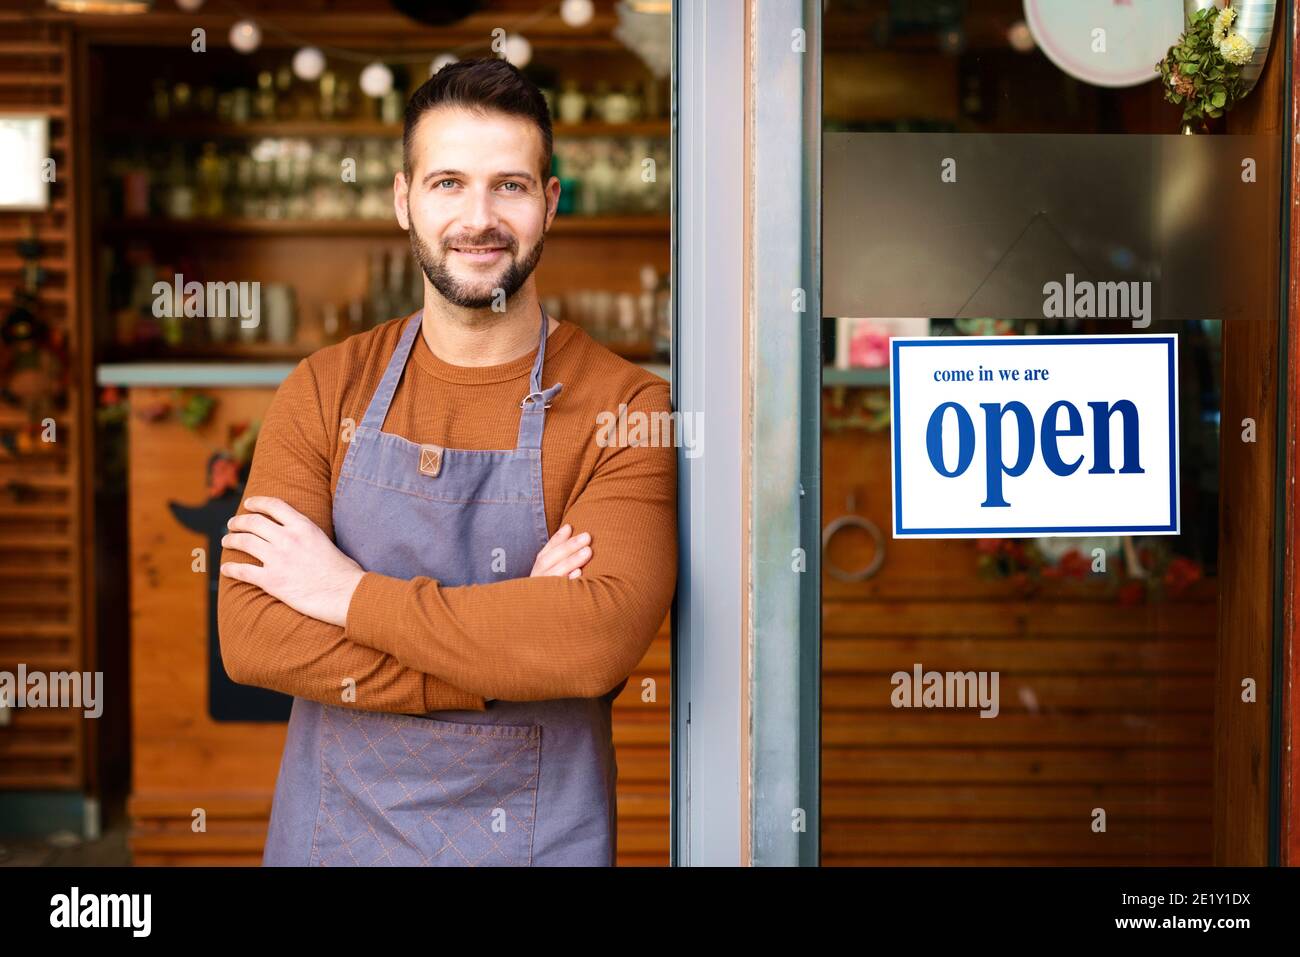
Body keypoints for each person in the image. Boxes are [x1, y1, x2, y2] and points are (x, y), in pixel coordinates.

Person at [215, 57, 677, 867]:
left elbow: (591, 646)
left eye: (510, 185)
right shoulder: (325, 389)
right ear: (404, 201)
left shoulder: (627, 409)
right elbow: (253, 635)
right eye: (448, 184)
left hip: (539, 842)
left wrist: (341, 591)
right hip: (337, 840)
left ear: (550, 203)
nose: (479, 217)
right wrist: (504, 641)